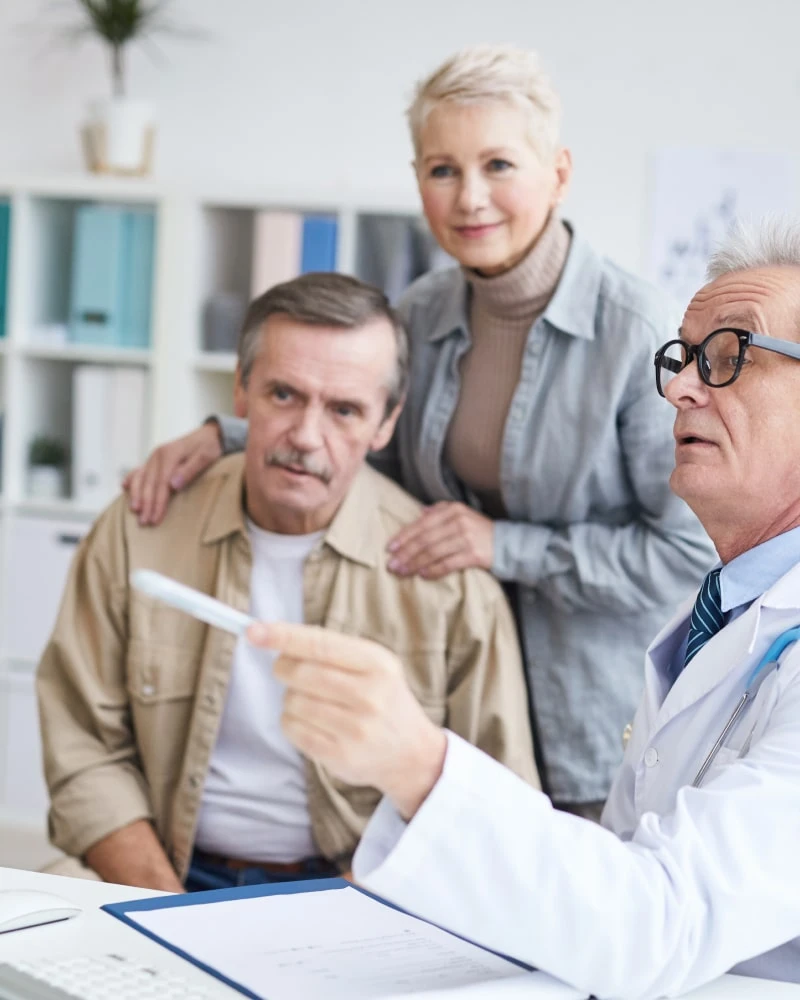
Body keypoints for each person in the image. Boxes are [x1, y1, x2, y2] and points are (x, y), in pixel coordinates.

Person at [125, 45, 714, 818]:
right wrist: (227, 436)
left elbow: (686, 553)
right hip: (443, 712)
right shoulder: (420, 313)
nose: (470, 198)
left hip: (586, 734)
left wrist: (503, 546)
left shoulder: (639, 334)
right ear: (418, 180)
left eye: (498, 164)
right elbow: (362, 433)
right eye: (442, 170)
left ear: (559, 172)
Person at [241, 220, 800, 997]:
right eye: (682, 358)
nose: (679, 387)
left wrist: (418, 764)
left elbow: (661, 924)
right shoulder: (723, 616)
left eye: (730, 355)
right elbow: (615, 893)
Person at [36, 273, 537, 893]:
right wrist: (168, 911)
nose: (305, 436)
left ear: (386, 424)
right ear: (240, 392)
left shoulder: (451, 586)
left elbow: (496, 799)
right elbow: (83, 746)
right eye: (283, 395)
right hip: (162, 873)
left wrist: (350, 910)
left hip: (361, 889)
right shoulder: (137, 531)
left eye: (345, 410)